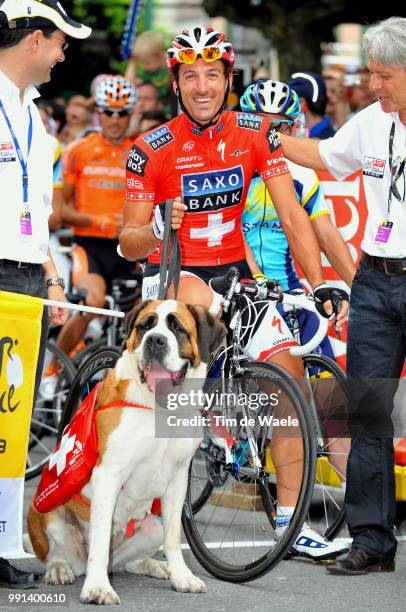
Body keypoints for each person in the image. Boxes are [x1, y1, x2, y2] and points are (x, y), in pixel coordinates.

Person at [119, 25, 349, 559]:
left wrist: (323, 283)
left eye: (213, 75)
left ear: (228, 79)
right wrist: (155, 225)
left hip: (235, 272)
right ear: (176, 84)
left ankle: (290, 524)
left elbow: (293, 214)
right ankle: (177, 465)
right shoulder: (149, 149)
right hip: (176, 273)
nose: (202, 86)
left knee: (289, 373)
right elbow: (128, 244)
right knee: (196, 319)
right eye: (191, 76)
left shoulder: (254, 133)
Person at [279, 16, 406, 575]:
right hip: (376, 279)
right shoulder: (373, 122)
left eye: (383, 76)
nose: (373, 87)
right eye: (371, 74)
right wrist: (265, 142)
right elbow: (326, 156)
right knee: (369, 412)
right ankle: (373, 542)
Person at [0, 0, 90, 589]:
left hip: (27, 277)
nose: (63, 54)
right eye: (60, 42)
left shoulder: (34, 114)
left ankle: (4, 540)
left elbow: (34, 211)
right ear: (35, 38)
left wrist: (53, 278)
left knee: (13, 416)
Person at [240, 78, 355, 486]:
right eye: (261, 125)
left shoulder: (301, 176)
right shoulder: (230, 170)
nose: (270, 135)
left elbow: (326, 235)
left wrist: (359, 288)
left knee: (331, 402)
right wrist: (252, 277)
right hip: (239, 288)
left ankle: (363, 509)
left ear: (295, 130)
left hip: (290, 293)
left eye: (281, 128)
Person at [44, 75, 137, 383]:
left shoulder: (139, 151)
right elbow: (60, 211)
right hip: (90, 246)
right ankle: (50, 372)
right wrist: (96, 221)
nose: (114, 119)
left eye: (121, 113)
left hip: (129, 247)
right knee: (93, 302)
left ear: (131, 114)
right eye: (107, 111)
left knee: (145, 311)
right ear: (98, 112)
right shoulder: (78, 149)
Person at [288, 71, 336, 139]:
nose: (286, 108)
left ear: (301, 103)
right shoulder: (334, 137)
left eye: (290, 102)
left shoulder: (326, 141)